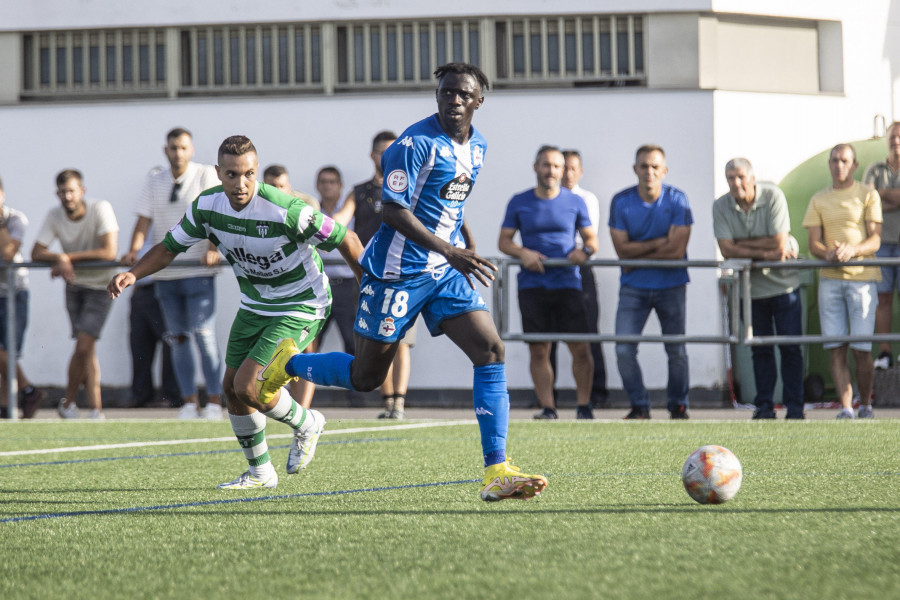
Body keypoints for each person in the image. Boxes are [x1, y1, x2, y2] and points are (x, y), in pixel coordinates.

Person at [255, 62, 548, 502]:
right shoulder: (413, 145)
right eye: (446, 92)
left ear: (478, 102)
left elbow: (452, 202)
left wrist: (462, 247)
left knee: (491, 349)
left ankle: (496, 469)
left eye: (463, 95)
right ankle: (288, 364)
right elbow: (393, 211)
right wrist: (451, 251)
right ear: (437, 96)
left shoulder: (479, 146)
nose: (453, 100)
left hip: (443, 271)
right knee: (367, 376)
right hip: (394, 274)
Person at [109, 135, 364, 489]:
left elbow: (348, 241)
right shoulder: (207, 207)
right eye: (231, 175)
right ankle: (261, 472)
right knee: (230, 388)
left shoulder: (286, 209)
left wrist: (368, 290)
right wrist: (133, 273)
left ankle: (307, 422)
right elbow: (169, 246)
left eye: (248, 174)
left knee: (248, 386)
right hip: (255, 304)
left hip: (301, 303)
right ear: (218, 173)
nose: (240, 183)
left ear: (256, 172)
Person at [121, 128, 225, 420]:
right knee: (177, 338)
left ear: (190, 150)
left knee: (204, 336)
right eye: (172, 148)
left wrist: (213, 247)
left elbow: (217, 213)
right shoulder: (154, 180)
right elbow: (143, 220)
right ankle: (189, 402)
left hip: (197, 270)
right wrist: (134, 251)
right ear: (165, 151)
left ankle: (215, 401)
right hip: (166, 273)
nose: (177, 153)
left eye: (182, 147)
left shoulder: (205, 174)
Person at [498, 145, 599, 420]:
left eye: (557, 166)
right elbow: (504, 241)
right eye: (546, 165)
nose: (551, 171)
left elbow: (592, 241)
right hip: (532, 286)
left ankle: (584, 407)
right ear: (536, 167)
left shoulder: (575, 201)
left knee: (580, 347)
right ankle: (548, 408)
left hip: (568, 284)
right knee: (539, 349)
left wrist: (584, 252)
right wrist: (523, 253)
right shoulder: (519, 201)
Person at [713, 158, 805, 419]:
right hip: (749, 291)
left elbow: (778, 242)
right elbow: (726, 249)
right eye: (730, 178)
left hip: (784, 287)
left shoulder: (773, 195)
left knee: (791, 349)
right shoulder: (721, 205)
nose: (736, 183)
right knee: (759, 350)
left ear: (753, 178)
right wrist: (769, 251)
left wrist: (743, 247)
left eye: (741, 177)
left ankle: (795, 409)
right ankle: (763, 408)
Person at [333, 130, 416, 419]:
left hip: (405, 274)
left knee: (402, 340)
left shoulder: (411, 186)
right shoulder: (360, 192)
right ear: (373, 155)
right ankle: (387, 400)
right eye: (382, 151)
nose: (387, 156)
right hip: (370, 277)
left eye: (392, 151)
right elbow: (340, 221)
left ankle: (399, 402)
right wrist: (321, 225)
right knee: (378, 340)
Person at [609, 144, 693, 420]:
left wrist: (638, 249)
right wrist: (661, 242)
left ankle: (678, 405)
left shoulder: (678, 200)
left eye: (655, 166)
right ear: (635, 169)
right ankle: (640, 406)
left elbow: (677, 251)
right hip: (634, 286)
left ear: (664, 170)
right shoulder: (621, 201)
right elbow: (622, 252)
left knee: (676, 350)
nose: (649, 171)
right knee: (623, 349)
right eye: (644, 166)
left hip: (672, 285)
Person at [802, 143, 882, 419]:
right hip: (830, 280)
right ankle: (846, 408)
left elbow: (875, 238)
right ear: (829, 164)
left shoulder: (868, 194)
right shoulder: (818, 199)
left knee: (862, 348)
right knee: (836, 348)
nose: (839, 166)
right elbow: (814, 243)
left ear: (855, 165)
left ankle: (866, 405)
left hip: (863, 279)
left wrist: (852, 251)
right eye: (835, 160)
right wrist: (831, 253)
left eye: (845, 160)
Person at [33, 169, 119, 419]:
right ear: (57, 194)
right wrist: (59, 257)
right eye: (62, 192)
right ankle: (96, 410)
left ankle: (68, 402)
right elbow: (37, 251)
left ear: (82, 191)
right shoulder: (54, 215)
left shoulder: (100, 208)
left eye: (71, 191)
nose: (67, 197)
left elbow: (109, 251)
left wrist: (67, 257)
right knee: (87, 349)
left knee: (83, 346)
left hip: (103, 286)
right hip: (74, 286)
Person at [262, 164, 325, 409]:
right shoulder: (253, 207)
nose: (277, 192)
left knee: (307, 347)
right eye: (272, 187)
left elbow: (313, 239)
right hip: (271, 288)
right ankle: (277, 402)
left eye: (282, 187)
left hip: (305, 286)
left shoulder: (305, 204)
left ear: (289, 187)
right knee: (275, 348)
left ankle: (303, 409)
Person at [561, 149, 608, 405]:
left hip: (580, 271)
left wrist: (558, 249)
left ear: (580, 172)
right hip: (552, 272)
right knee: (546, 338)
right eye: (563, 167)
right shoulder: (545, 200)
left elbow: (585, 240)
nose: (567, 173)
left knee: (589, 332)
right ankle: (547, 400)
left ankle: (597, 394)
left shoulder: (586, 199)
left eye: (572, 168)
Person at [0, 175, 43, 419]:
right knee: (3, 355)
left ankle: (23, 394)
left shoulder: (15, 219)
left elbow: (7, 253)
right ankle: (21, 396)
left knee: (8, 352)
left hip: (14, 292)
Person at [128, 225, 181, 408]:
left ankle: (172, 395)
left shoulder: (172, 221)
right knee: (139, 343)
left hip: (165, 287)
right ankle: (140, 395)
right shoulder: (144, 226)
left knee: (170, 342)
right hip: (142, 290)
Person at [863, 121, 900, 370]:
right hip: (882, 243)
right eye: (892, 137)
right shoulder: (874, 170)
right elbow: (867, 202)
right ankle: (885, 352)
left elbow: (877, 198)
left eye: (899, 137)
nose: (895, 141)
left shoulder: (879, 181)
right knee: (883, 299)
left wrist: (882, 195)